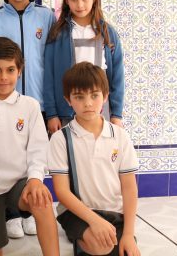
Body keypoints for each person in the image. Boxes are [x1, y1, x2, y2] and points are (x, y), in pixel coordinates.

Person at [0, 37, 59, 256]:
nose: (3, 77)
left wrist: (35, 179)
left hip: (20, 184)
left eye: (10, 70)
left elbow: (38, 148)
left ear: (19, 71)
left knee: (43, 201)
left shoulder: (30, 106)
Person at [0, 0, 56, 238]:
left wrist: (52, 106)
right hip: (4, 100)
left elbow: (52, 61)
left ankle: (28, 210)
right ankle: (10, 213)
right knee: (6, 155)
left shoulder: (46, 16)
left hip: (37, 100)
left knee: (36, 154)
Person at [49, 62, 139, 256]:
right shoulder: (61, 139)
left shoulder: (120, 136)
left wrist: (128, 234)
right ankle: (83, 241)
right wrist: (95, 221)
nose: (88, 103)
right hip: (77, 212)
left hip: (115, 213)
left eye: (94, 95)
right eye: (79, 97)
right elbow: (62, 191)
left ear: (105, 96)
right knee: (101, 246)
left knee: (125, 249)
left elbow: (129, 188)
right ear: (68, 99)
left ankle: (92, 243)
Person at [44, 0, 125, 134]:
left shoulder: (108, 32)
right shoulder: (57, 34)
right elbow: (49, 76)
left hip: (101, 112)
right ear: (66, 0)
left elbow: (117, 76)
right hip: (67, 112)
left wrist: (116, 114)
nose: (79, 4)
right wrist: (52, 113)